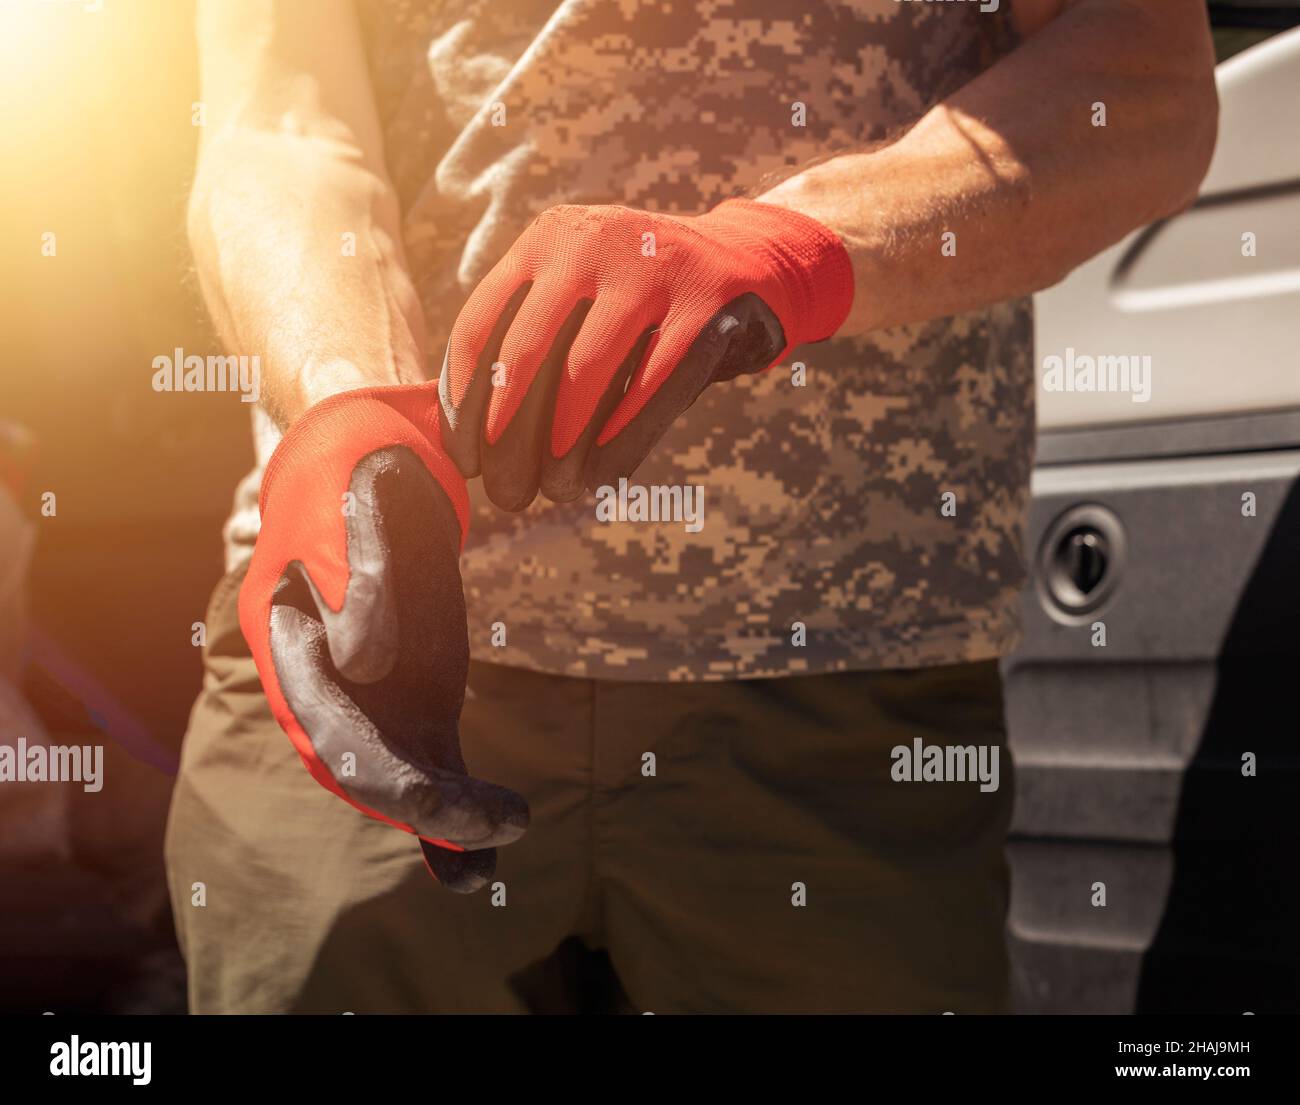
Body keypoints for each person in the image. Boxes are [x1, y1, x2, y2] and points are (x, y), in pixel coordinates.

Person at [166, 0, 1217, 1013]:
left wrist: (788, 251)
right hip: (379, 642)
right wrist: (344, 402)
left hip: (840, 672)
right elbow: (277, 123)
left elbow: (1140, 77)